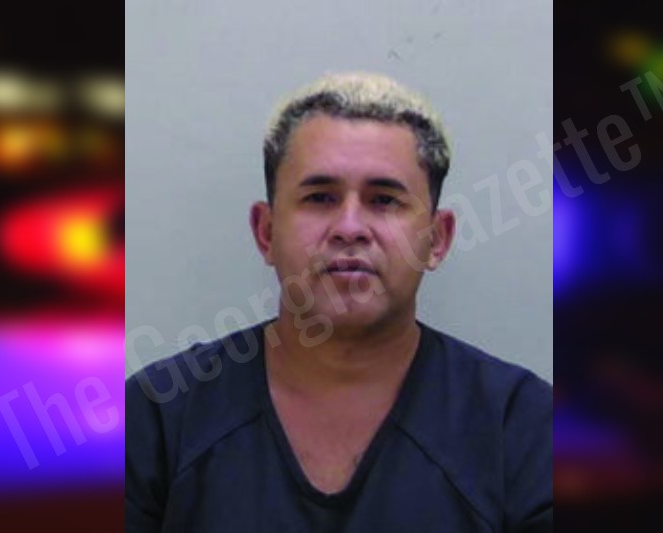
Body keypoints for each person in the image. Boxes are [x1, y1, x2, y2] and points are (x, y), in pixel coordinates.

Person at [126, 72, 552, 532]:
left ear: (437, 239)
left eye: (384, 200)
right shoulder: (157, 419)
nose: (350, 228)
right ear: (266, 233)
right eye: (320, 198)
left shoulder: (524, 427)